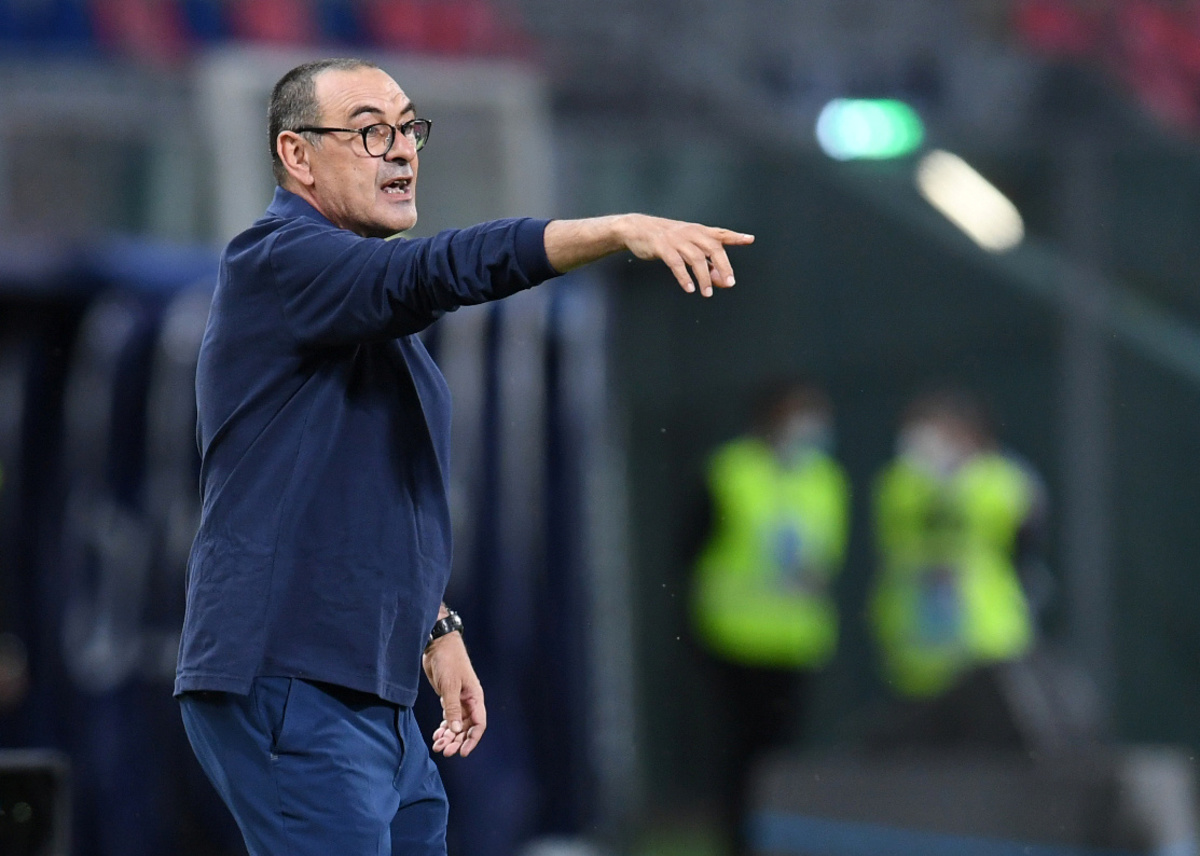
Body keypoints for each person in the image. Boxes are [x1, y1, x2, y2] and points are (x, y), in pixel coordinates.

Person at [173, 57, 753, 856]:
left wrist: (434, 625)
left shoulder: (350, 307)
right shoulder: (276, 259)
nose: (401, 149)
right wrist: (612, 229)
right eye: (369, 131)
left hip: (366, 682)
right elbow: (435, 269)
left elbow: (362, 493)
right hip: (290, 673)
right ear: (297, 155)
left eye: (408, 128)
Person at [689, 379, 850, 853]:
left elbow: (827, 553)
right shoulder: (729, 472)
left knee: (784, 751)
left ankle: (778, 838)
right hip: (734, 637)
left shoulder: (824, 477)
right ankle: (740, 840)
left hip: (797, 638)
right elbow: (691, 549)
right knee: (741, 751)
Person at [866, 388, 1049, 747]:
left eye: (933, 430)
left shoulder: (1004, 482)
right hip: (916, 644)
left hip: (986, 643)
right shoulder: (899, 484)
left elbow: (1024, 542)